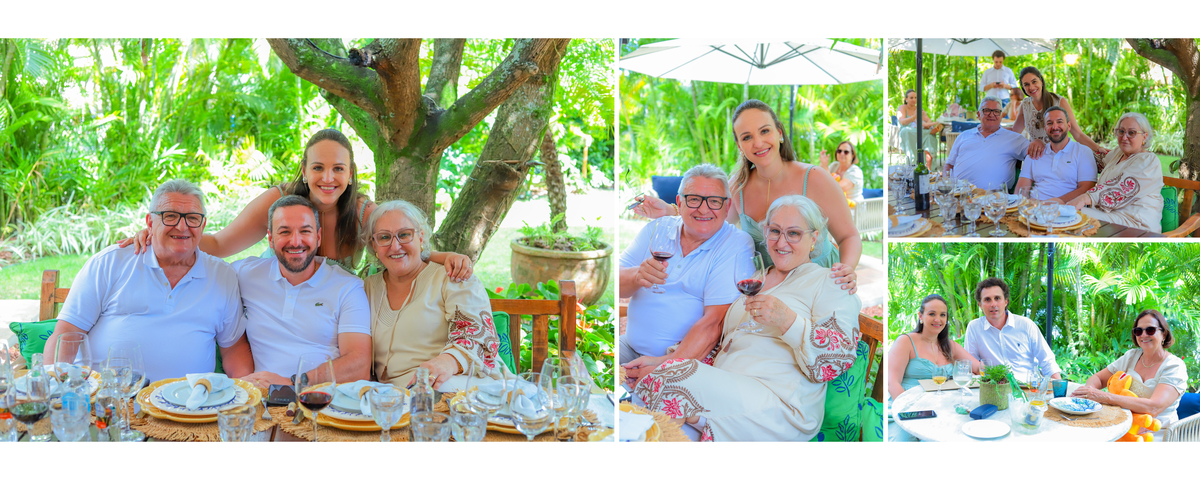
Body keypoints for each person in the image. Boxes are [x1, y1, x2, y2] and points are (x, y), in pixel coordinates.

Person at [633, 195, 861, 441]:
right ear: (765, 232)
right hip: (728, 389)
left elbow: (837, 358)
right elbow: (725, 340)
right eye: (775, 231)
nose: (781, 242)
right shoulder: (756, 277)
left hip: (780, 404)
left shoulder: (830, 281)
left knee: (669, 382)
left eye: (794, 233)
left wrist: (788, 321)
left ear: (814, 238)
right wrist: (665, 360)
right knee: (649, 396)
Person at [120, 129, 473, 280]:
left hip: (334, 312)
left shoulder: (363, 212)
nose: (327, 178)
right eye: (318, 167)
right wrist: (162, 233)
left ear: (351, 174)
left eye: (338, 169)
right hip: (281, 304)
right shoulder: (279, 201)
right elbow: (219, 245)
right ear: (304, 170)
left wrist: (446, 258)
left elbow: (403, 248)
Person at [632, 99, 860, 292]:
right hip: (770, 289)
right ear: (740, 145)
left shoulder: (816, 178)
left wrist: (846, 270)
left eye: (764, 131)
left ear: (779, 132)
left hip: (819, 284)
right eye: (747, 137)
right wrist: (670, 210)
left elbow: (849, 236)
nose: (758, 143)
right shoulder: (737, 187)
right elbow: (709, 218)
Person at [42, 179, 252, 382]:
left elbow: (234, 348)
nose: (182, 227)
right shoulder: (110, 262)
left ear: (203, 224)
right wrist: (56, 389)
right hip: (108, 401)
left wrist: (246, 394)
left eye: (192, 218)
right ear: (150, 222)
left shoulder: (222, 275)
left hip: (190, 407)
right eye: (170, 216)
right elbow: (67, 333)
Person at [619, 164, 754, 386]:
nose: (703, 209)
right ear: (679, 202)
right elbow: (617, 284)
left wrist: (661, 368)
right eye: (694, 199)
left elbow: (714, 324)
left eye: (714, 201)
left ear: (727, 206)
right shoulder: (658, 229)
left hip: (683, 363)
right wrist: (637, 276)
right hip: (628, 348)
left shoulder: (735, 244)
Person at [363, 200, 503, 390]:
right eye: (384, 237)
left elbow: (479, 337)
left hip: (450, 386)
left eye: (404, 235)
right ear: (374, 245)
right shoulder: (368, 287)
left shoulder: (453, 277)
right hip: (390, 400)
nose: (395, 246)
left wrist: (447, 363)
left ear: (420, 238)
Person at [234, 195, 371, 389]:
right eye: (285, 232)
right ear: (271, 239)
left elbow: (359, 365)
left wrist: (293, 382)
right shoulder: (246, 274)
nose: (296, 241)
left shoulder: (348, 287)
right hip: (264, 399)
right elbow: (199, 266)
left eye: (305, 231)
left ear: (318, 236)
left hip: (324, 399)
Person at [1070, 310, 1187, 437]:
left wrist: (1104, 397)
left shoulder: (1174, 366)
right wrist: (1090, 391)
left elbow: (1154, 407)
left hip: (1158, 433)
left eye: (1150, 330)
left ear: (1164, 334)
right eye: (1138, 331)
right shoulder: (1132, 356)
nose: (1143, 335)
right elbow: (1098, 378)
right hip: (1123, 427)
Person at [886, 294, 980, 442]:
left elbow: (979, 368)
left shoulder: (949, 345)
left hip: (940, 410)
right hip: (906, 410)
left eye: (942, 315)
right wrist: (911, 414)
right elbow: (892, 382)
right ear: (921, 316)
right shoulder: (905, 341)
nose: (938, 319)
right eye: (932, 314)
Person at [1067, 112, 1165, 233]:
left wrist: (1084, 198)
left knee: (1073, 215)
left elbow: (1121, 187)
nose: (1124, 137)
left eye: (1132, 133)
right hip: (1111, 217)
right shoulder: (1119, 153)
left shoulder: (1148, 161)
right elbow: (1098, 162)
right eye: (1121, 131)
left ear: (1144, 136)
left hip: (1136, 223)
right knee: (1071, 215)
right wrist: (1070, 151)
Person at [963, 277, 1061, 381]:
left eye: (997, 298)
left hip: (1027, 387)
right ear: (980, 305)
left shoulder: (1026, 325)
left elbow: (1047, 360)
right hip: (995, 389)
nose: (993, 304)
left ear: (1005, 301)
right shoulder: (974, 328)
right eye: (987, 299)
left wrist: (1059, 388)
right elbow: (970, 365)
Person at [1010, 66, 1108, 160]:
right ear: (1023, 87)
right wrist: (995, 130)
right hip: (1037, 158)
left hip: (1060, 157)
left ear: (1041, 81)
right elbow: (1015, 131)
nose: (1031, 87)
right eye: (1026, 84)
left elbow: (1077, 134)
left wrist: (1098, 148)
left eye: (1034, 81)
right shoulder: (1025, 105)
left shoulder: (1059, 101)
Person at [943, 96, 1030, 190]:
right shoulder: (963, 136)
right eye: (987, 110)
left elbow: (1036, 157)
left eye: (996, 111)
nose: (992, 114)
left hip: (994, 200)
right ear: (978, 114)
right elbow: (949, 165)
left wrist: (1037, 141)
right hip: (959, 195)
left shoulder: (1014, 139)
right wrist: (948, 186)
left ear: (1001, 116)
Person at [1014, 106, 1097, 203]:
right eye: (1050, 123)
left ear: (1069, 126)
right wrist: (1021, 208)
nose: (1054, 127)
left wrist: (1052, 203)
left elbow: (1086, 189)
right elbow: (1021, 190)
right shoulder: (1036, 151)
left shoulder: (1083, 152)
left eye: (1059, 122)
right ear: (1045, 128)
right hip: (1034, 209)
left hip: (1068, 210)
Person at [897, 89, 940, 166]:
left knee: (930, 137)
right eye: (911, 98)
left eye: (915, 97)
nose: (914, 100)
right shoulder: (902, 108)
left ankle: (929, 167)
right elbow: (902, 122)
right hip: (908, 132)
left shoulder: (919, 108)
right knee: (906, 131)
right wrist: (914, 117)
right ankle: (913, 163)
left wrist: (928, 125)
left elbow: (928, 120)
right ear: (906, 99)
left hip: (920, 131)